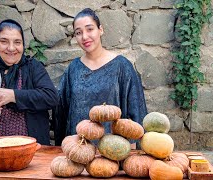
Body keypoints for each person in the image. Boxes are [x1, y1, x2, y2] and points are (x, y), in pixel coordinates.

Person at [54, 8, 148, 146]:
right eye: (78, 33)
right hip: (79, 150)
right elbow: (61, 112)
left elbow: (136, 110)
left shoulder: (122, 66)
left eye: (89, 29)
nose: (84, 37)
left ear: (101, 30)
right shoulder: (73, 69)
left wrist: (133, 148)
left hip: (113, 152)